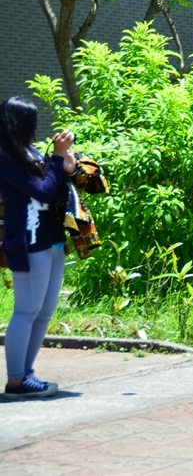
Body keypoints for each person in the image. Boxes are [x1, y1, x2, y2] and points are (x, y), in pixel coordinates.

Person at [1, 96, 75, 399]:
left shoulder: (29, 153)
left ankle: (27, 375)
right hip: (29, 240)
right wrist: (57, 158)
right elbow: (41, 192)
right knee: (27, 311)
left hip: (52, 238)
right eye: (31, 121)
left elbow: (54, 189)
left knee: (44, 312)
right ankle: (16, 379)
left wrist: (67, 166)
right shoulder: (5, 157)